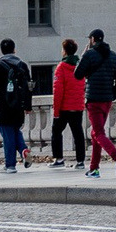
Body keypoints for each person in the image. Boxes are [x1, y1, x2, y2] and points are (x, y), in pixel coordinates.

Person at [77, 27, 116, 179]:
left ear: (92, 40)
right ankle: (94, 169)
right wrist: (112, 95)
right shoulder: (114, 56)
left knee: (98, 133)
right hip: (107, 100)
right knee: (96, 134)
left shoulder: (90, 55)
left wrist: (83, 55)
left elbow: (78, 74)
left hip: (93, 100)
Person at [0, 39, 35, 172]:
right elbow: (29, 87)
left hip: (5, 105)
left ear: (1, 50)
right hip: (19, 106)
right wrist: (28, 106)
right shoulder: (23, 66)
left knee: (7, 135)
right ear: (14, 50)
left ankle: (10, 165)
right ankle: (24, 150)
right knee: (15, 131)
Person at [48, 39, 87, 168]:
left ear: (64, 51)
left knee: (56, 131)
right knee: (78, 133)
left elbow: (58, 91)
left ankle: (59, 158)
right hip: (77, 106)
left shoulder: (61, 67)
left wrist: (56, 111)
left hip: (64, 107)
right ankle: (80, 161)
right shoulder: (80, 65)